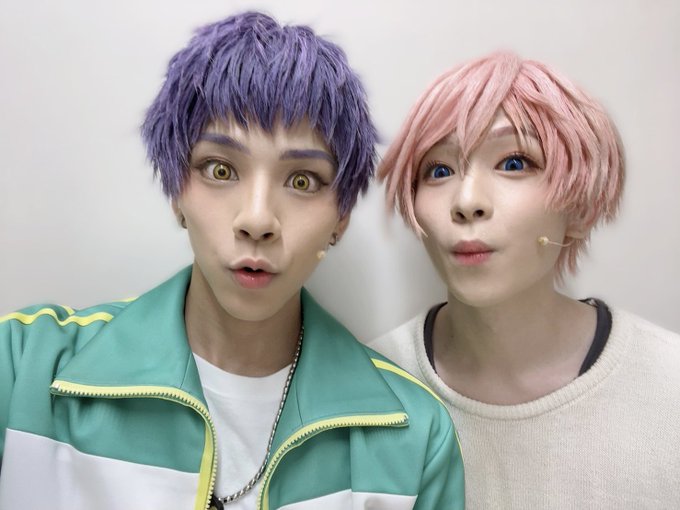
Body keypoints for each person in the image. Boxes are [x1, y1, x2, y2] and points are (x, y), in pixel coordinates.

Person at [0, 12, 464, 510]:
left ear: (341, 218)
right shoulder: (23, 367)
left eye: (302, 180)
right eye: (220, 170)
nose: (257, 219)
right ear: (176, 192)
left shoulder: (414, 438)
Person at [368, 51, 680, 509]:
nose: (467, 201)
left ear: (580, 208)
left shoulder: (668, 388)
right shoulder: (365, 389)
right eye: (439, 170)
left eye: (514, 163)